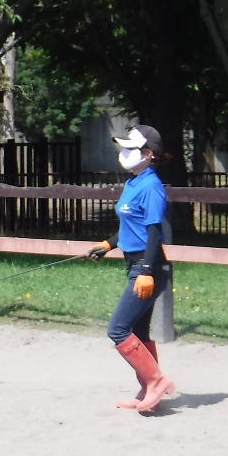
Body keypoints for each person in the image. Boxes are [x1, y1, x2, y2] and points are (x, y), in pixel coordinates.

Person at [88, 125, 176, 412]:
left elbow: (154, 232)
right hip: (134, 264)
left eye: (131, 148)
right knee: (138, 330)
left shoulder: (151, 186)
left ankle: (156, 382)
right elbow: (131, 226)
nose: (124, 153)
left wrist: (147, 271)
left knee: (117, 329)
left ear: (148, 153)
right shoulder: (133, 182)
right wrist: (108, 244)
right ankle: (149, 389)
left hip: (147, 267)